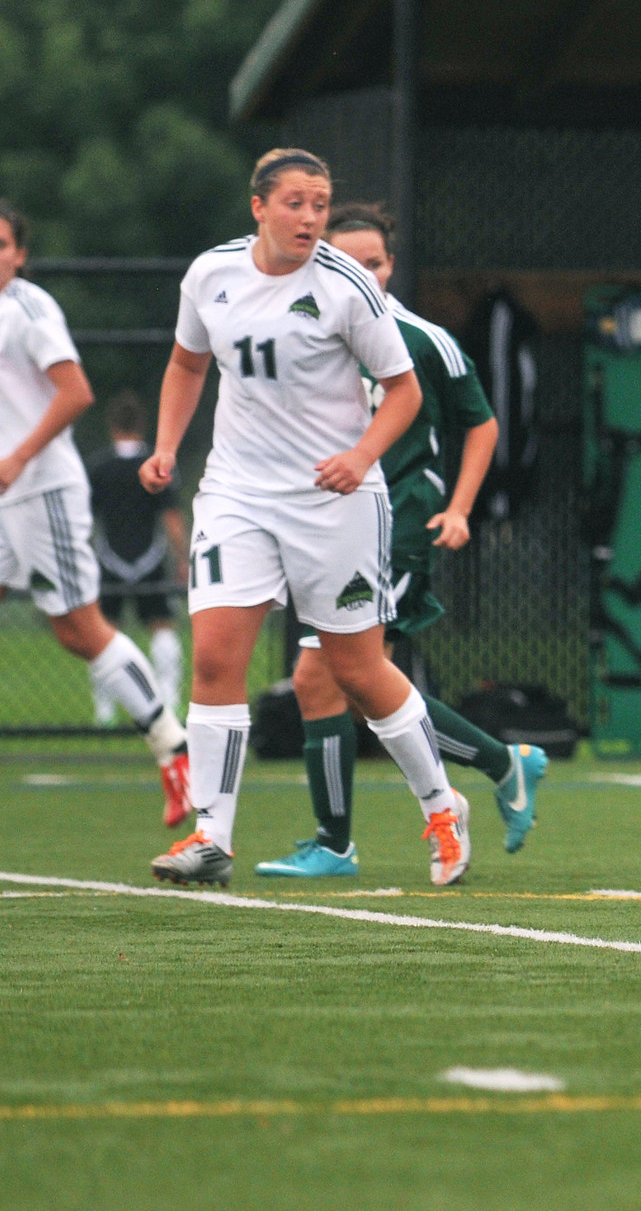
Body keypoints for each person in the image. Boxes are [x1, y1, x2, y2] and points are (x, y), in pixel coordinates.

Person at [145, 149, 470, 888]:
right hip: (236, 494)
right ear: (258, 206)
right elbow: (188, 363)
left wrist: (360, 456)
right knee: (216, 659)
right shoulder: (211, 274)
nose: (310, 218)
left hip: (334, 500)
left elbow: (404, 391)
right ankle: (210, 836)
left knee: (357, 668)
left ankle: (441, 807)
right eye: (295, 202)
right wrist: (167, 445)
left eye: (320, 204)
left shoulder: (345, 283)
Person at [252, 202, 546, 880]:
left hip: (399, 522)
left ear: (392, 266)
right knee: (329, 680)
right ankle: (503, 765)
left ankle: (339, 840)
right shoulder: (303, 332)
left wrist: (462, 507)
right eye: (345, 261)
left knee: (335, 674)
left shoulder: (421, 338)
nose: (363, 274)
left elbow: (482, 424)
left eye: (376, 262)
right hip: (327, 526)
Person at [0, 202, 192, 827]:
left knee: (80, 629)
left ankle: (175, 750)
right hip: (9, 496)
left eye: (2, 244)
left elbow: (76, 391)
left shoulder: (28, 309)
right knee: (68, 629)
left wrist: (18, 458)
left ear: (20, 254)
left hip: (40, 492)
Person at [86, 393, 187, 726]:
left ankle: (105, 711)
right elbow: (171, 518)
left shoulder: (99, 468)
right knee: (162, 627)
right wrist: (182, 559)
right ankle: (169, 701)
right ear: (142, 425)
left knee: (103, 634)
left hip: (108, 559)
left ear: (112, 426)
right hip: (151, 559)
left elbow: (85, 520)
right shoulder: (157, 464)